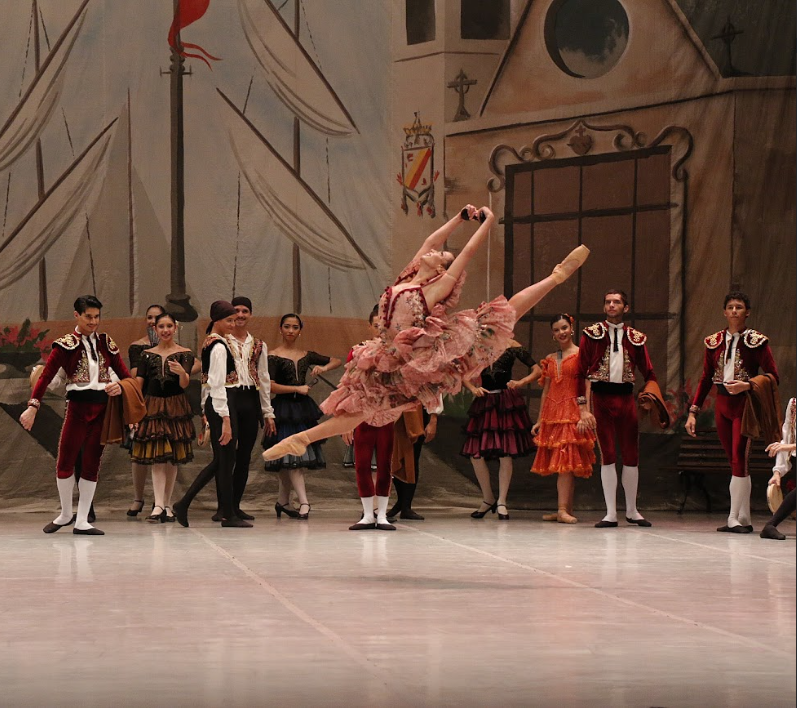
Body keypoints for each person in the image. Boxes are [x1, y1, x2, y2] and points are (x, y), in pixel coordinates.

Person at [263, 204, 589, 462]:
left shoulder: (431, 290)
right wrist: (460, 219)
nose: (438, 252)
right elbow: (431, 241)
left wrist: (487, 224)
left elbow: (466, 255)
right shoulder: (410, 274)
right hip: (385, 350)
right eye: (439, 254)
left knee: (503, 314)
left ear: (438, 270)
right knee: (361, 407)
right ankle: (302, 439)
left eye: (442, 258)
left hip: (414, 356)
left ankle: (556, 276)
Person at [19, 295, 130, 535]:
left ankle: (82, 520)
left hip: (102, 409)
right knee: (65, 462)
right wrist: (33, 406)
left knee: (92, 464)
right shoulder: (65, 345)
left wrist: (120, 386)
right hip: (77, 408)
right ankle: (66, 514)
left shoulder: (106, 343)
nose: (93, 322)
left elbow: (126, 376)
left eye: (97, 317)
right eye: (88, 316)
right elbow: (47, 376)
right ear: (76, 315)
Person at [685, 291, 779, 533]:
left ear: (747, 312)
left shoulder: (757, 341)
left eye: (739, 307)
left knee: (739, 458)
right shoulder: (713, 341)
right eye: (730, 307)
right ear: (724, 312)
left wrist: (747, 385)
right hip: (722, 405)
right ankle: (744, 517)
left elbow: (773, 375)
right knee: (734, 461)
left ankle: (732, 518)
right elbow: (706, 378)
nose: (735, 311)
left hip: (744, 405)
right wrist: (693, 412)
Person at [577, 290, 661, 528]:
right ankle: (611, 513)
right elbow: (580, 372)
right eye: (608, 302)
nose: (611, 305)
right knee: (608, 456)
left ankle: (633, 511)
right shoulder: (591, 334)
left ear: (626, 307)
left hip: (626, 400)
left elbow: (650, 373)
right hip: (600, 398)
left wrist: (649, 395)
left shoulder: (636, 338)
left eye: (616, 302)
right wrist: (583, 408)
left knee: (632, 455)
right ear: (604, 307)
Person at [173, 301, 251, 528]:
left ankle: (214, 510)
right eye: (228, 320)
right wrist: (225, 419)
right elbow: (216, 385)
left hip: (219, 406)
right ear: (216, 320)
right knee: (224, 461)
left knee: (224, 461)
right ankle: (198, 506)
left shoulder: (214, 342)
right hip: (222, 406)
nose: (233, 323)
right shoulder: (217, 347)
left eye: (234, 319)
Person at [262, 313, 342, 520]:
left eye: (295, 327)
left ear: (300, 330)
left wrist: (322, 367)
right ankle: (304, 502)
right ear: (280, 329)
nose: (290, 330)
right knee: (290, 457)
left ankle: (283, 502)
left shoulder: (305, 355)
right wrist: (296, 388)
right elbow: (269, 386)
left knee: (290, 459)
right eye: (287, 326)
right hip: (282, 410)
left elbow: (336, 360)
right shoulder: (272, 356)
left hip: (302, 410)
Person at [208, 296, 275, 522]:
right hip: (228, 398)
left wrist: (267, 412)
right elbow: (209, 379)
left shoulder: (259, 345)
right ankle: (223, 507)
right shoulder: (219, 342)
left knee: (244, 455)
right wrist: (207, 411)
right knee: (225, 456)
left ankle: (235, 505)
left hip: (249, 399)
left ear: (250, 315)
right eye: (236, 311)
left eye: (245, 311)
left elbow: (264, 378)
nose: (240, 315)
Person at [462, 341, 540, 521]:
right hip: (485, 402)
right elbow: (463, 373)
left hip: (505, 401)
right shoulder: (478, 346)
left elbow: (538, 370)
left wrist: (521, 382)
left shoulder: (512, 346)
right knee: (476, 454)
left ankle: (502, 501)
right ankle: (488, 498)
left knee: (506, 453)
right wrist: (474, 388)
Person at [131, 312, 196, 522]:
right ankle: (158, 504)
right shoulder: (146, 354)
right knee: (158, 455)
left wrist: (181, 373)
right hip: (153, 406)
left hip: (176, 406)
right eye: (161, 327)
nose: (166, 330)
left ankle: (167, 505)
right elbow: (139, 384)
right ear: (155, 330)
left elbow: (185, 384)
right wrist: (135, 411)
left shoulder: (185, 353)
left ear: (175, 328)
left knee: (172, 458)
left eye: (169, 326)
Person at [532, 315, 596, 524]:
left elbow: (587, 386)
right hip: (553, 413)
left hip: (572, 411)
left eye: (564, 327)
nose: (561, 332)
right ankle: (563, 509)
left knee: (567, 462)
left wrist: (585, 411)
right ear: (552, 334)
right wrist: (541, 420)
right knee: (563, 462)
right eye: (557, 329)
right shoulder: (551, 358)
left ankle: (563, 509)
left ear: (572, 329)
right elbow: (546, 390)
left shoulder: (580, 355)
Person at [345, 307, 397, 530]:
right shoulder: (357, 352)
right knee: (362, 464)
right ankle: (367, 514)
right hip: (362, 416)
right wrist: (345, 421)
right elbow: (348, 386)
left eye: (383, 326)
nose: (379, 330)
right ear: (369, 326)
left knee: (385, 463)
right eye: (375, 325)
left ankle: (382, 514)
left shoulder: (396, 353)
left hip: (386, 415)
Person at [126, 304, 165, 517]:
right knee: (138, 451)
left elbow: (192, 365)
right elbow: (134, 375)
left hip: (165, 401)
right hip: (143, 399)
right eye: (149, 317)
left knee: (162, 451)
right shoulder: (137, 347)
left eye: (156, 317)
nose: (152, 321)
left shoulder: (173, 347)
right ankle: (138, 498)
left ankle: (162, 501)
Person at [387, 403, 437, 522]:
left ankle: (406, 505)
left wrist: (433, 419)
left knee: (412, 458)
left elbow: (435, 393)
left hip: (417, 413)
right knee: (395, 457)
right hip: (395, 412)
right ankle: (401, 502)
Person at [761, 398, 796, 540]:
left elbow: (788, 445)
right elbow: (787, 437)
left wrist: (790, 446)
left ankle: (770, 525)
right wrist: (777, 472)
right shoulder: (794, 404)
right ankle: (770, 526)